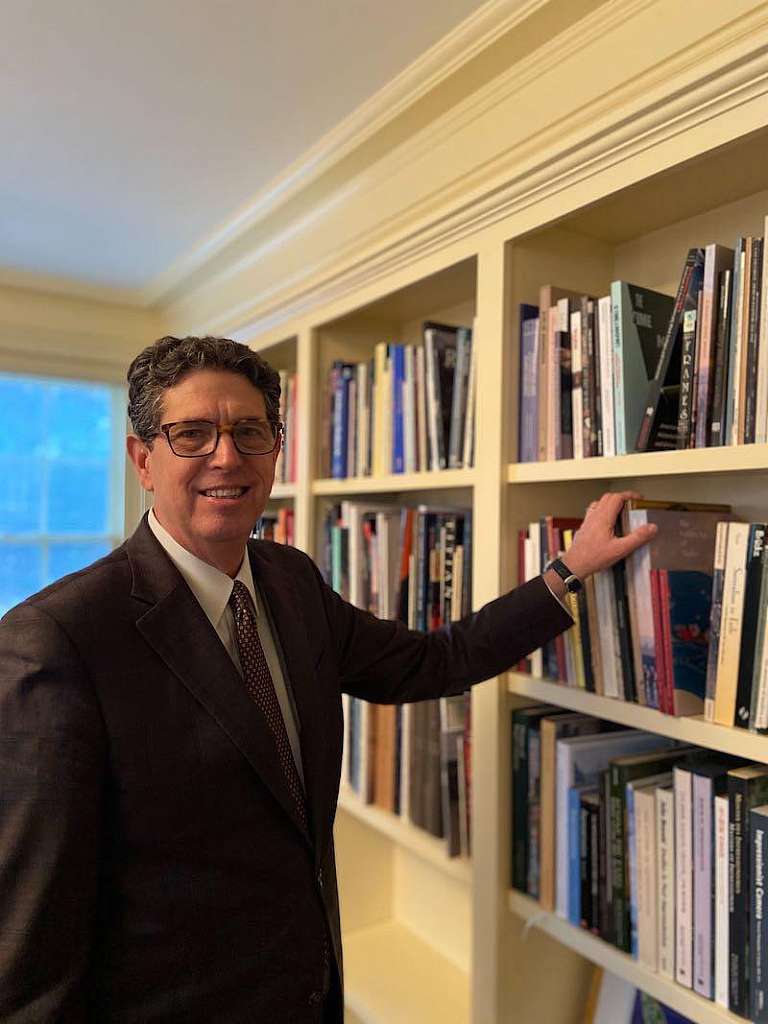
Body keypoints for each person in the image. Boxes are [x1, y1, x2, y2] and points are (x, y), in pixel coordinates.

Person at [0, 335, 656, 1023]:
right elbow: (30, 949)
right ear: (142, 458)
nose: (226, 456)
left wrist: (568, 570)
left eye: (249, 431)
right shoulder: (57, 641)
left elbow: (433, 662)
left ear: (276, 450)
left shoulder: (291, 581)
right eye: (191, 434)